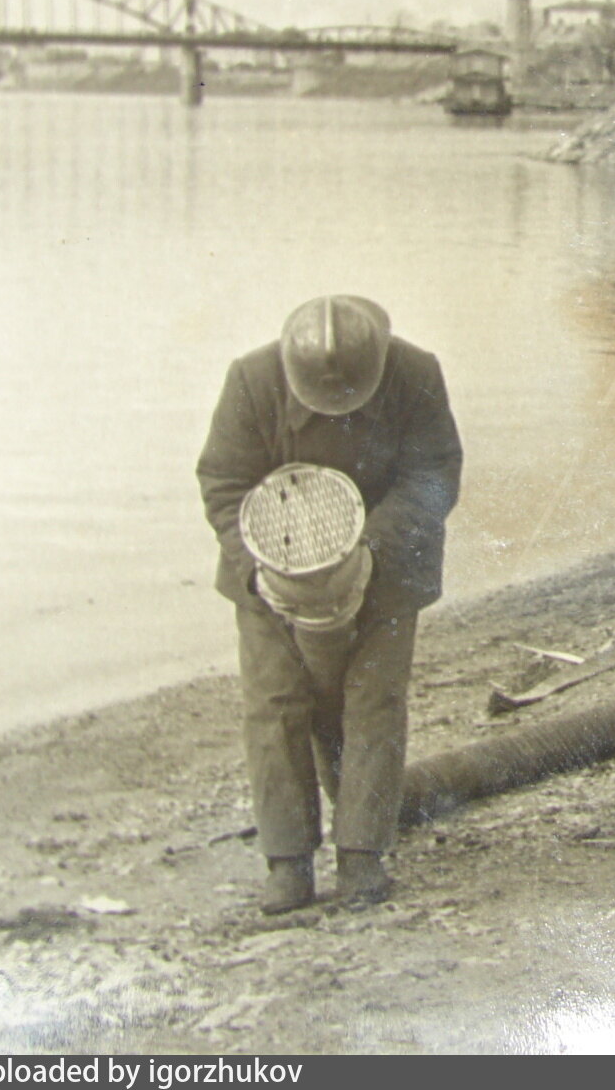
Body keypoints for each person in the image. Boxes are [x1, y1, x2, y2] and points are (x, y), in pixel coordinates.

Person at [197, 295, 462, 913]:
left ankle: (362, 854)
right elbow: (223, 484)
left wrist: (370, 547)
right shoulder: (251, 380)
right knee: (276, 704)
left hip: (389, 565)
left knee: (374, 698)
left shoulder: (416, 373)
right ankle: (288, 862)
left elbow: (435, 474)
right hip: (274, 572)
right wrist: (258, 568)